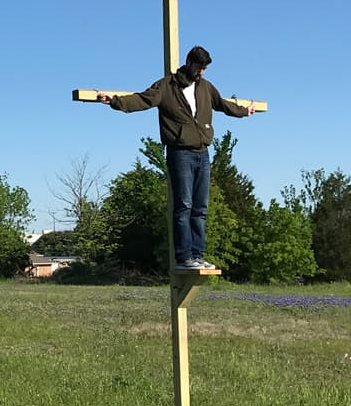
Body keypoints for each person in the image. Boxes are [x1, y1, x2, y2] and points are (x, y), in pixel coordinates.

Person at [98, 45, 255, 271]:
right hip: (180, 153)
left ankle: (198, 256)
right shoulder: (167, 86)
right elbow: (143, 100)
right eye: (199, 67)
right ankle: (184, 257)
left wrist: (244, 111)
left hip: (203, 153)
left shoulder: (206, 88)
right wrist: (115, 101)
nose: (201, 72)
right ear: (189, 63)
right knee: (184, 205)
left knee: (201, 208)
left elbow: (223, 104)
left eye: (205, 68)